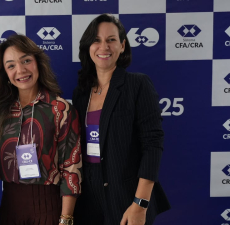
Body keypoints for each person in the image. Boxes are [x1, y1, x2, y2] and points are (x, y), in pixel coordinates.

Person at [72, 14, 170, 225]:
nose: (103, 46)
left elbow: (153, 145)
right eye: (96, 40)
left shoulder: (137, 85)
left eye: (111, 40)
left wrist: (140, 204)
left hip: (127, 198)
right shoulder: (81, 93)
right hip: (88, 199)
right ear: (88, 46)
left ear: (122, 45)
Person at [0, 34, 82, 225]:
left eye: (26, 61)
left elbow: (72, 169)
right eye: (11, 65)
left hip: (49, 207)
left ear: (38, 63)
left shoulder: (60, 109)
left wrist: (66, 219)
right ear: (5, 73)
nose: (20, 70)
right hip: (9, 206)